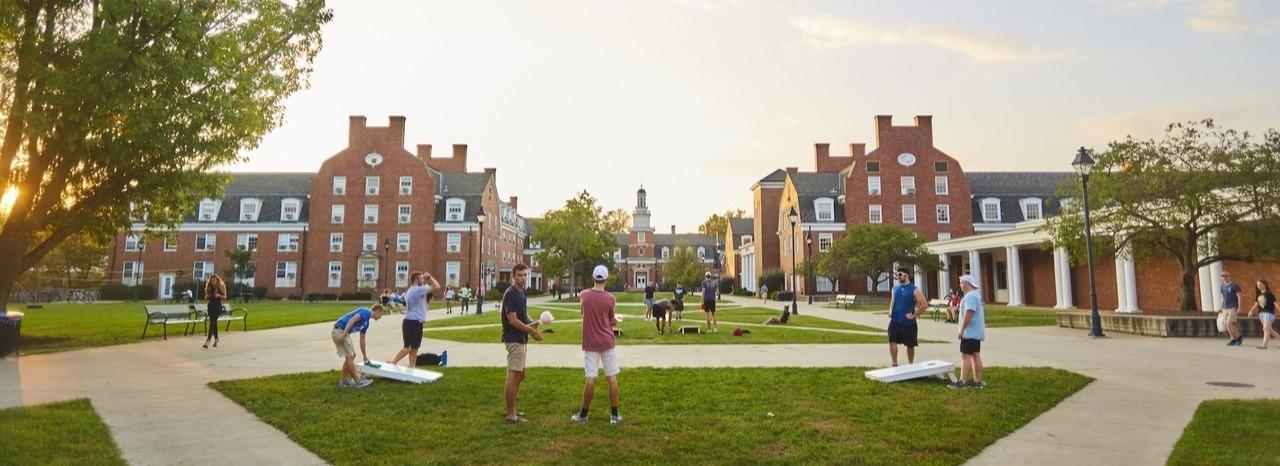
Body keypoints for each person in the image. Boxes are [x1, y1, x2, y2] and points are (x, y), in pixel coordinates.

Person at [571, 265, 623, 425]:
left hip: (590, 342)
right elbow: (610, 319)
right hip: (607, 341)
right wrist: (612, 321)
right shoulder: (610, 298)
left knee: (591, 378)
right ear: (606, 280)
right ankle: (614, 416)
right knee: (611, 377)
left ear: (593, 278)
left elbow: (583, 312)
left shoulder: (584, 295)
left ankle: (584, 415)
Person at [502, 263, 543, 423]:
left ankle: (512, 409)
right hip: (514, 339)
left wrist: (534, 322)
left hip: (521, 338)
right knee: (514, 375)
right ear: (513, 276)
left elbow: (523, 315)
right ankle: (510, 414)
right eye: (520, 275)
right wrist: (530, 330)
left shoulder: (521, 293)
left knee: (520, 374)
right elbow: (512, 319)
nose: (523, 278)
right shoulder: (511, 293)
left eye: (525, 275)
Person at [390, 271, 440, 368]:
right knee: (409, 347)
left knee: (414, 347)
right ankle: (393, 363)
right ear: (416, 280)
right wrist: (429, 277)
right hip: (412, 322)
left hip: (414, 321)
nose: (423, 279)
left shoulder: (414, 290)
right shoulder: (417, 289)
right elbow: (437, 286)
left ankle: (412, 366)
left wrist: (427, 280)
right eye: (421, 278)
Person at [332, 304, 385, 388]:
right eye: (380, 315)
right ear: (377, 311)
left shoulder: (366, 323)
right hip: (339, 330)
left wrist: (364, 356)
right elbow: (352, 320)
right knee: (350, 356)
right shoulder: (366, 312)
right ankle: (358, 381)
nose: (380, 317)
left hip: (343, 332)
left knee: (352, 356)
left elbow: (362, 340)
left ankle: (344, 381)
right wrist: (344, 334)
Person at [950, 275, 987, 389]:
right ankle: (977, 381)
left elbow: (969, 314)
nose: (960, 285)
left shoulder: (970, 297)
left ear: (967, 283)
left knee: (965, 356)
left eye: (961, 283)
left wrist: (961, 330)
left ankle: (963, 381)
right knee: (975, 355)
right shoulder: (976, 296)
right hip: (976, 333)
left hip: (969, 333)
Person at [887, 268, 926, 366]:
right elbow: (892, 302)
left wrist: (914, 315)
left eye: (900, 274)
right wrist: (890, 311)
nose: (898, 277)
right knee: (892, 341)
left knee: (910, 345)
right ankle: (894, 364)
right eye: (897, 275)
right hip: (895, 321)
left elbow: (924, 305)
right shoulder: (895, 289)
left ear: (907, 275)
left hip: (909, 323)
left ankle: (910, 364)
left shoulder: (914, 290)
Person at [1247, 279, 1280, 349]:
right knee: (1269, 330)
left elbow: (1276, 304)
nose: (1259, 286)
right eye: (1257, 284)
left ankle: (1264, 344)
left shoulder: (1269, 294)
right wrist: (1251, 311)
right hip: (1261, 314)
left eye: (1260, 284)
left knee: (1265, 328)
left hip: (1269, 313)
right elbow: (1256, 305)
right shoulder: (1258, 295)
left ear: (1265, 285)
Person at [1219, 271, 1244, 346]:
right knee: (1226, 325)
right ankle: (1233, 339)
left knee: (1229, 323)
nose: (1224, 278)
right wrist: (1220, 307)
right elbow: (1223, 297)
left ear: (1229, 276)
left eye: (1226, 276)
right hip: (1225, 307)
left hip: (1232, 307)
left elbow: (1239, 297)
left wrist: (1239, 307)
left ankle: (1239, 336)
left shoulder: (1234, 286)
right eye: (1223, 277)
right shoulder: (1222, 286)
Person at [202, 274, 227, 349]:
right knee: (214, 323)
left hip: (217, 306)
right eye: (212, 280)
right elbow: (205, 297)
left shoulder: (221, 286)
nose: (213, 282)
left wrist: (219, 295)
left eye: (214, 280)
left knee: (212, 322)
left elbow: (225, 296)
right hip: (210, 306)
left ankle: (208, 341)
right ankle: (216, 339)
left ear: (217, 280)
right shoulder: (209, 287)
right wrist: (207, 296)